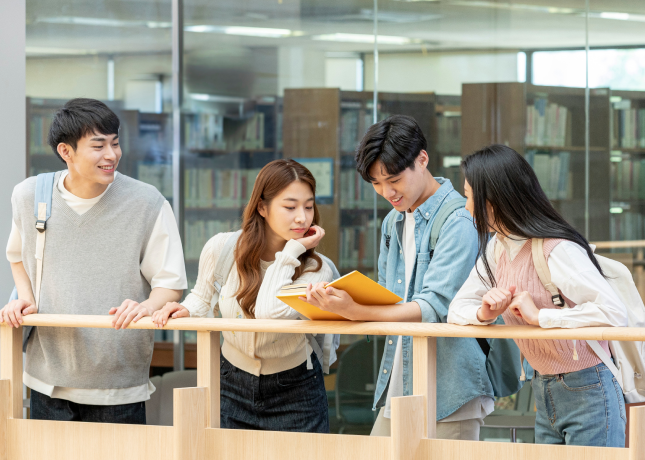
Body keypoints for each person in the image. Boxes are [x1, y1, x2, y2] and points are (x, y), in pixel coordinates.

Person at [301, 115, 495, 440]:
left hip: (450, 390)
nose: (386, 192)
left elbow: (432, 309)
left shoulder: (459, 220)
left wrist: (358, 311)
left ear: (422, 159)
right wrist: (337, 301)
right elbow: (389, 298)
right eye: (376, 183)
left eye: (393, 179)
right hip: (400, 380)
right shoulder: (393, 222)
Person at [0, 98, 187, 424]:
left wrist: (146, 307)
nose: (112, 155)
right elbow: (16, 256)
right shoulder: (30, 196)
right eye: (98, 146)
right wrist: (26, 299)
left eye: (115, 144)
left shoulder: (147, 202)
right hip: (48, 382)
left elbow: (170, 284)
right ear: (66, 152)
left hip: (119, 385)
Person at [448, 144, 627, 447]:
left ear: (493, 199)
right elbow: (456, 309)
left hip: (589, 386)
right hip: (542, 388)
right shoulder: (497, 248)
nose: (467, 208)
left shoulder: (556, 249)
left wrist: (540, 317)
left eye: (469, 196)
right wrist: (484, 314)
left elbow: (613, 313)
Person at [152, 159, 333, 433]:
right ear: (262, 207)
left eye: (308, 206)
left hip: (296, 388)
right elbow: (202, 298)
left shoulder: (316, 267)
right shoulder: (221, 248)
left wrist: (291, 252)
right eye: (290, 206)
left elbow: (270, 313)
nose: (302, 217)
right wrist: (184, 309)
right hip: (231, 382)